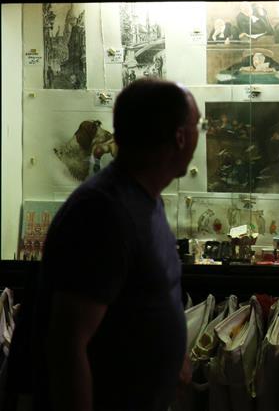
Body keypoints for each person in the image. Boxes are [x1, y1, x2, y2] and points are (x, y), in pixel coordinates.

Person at [33, 78, 200, 410]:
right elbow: (67, 344)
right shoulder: (101, 211)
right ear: (180, 137)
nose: (200, 133)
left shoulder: (145, 200)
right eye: (198, 125)